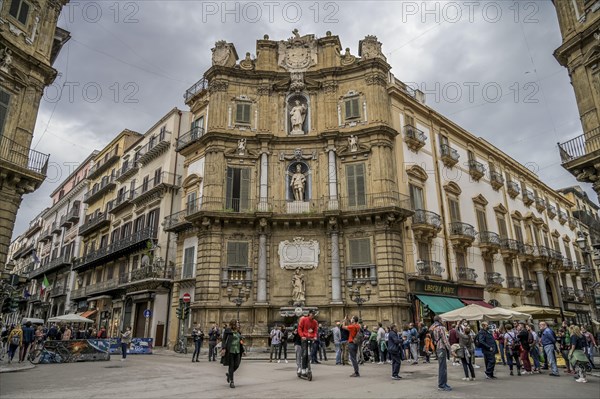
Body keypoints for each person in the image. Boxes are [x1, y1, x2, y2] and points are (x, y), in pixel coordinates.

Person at [221, 320, 244, 388]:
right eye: (237, 324)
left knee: (237, 364)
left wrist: (243, 350)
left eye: (238, 324)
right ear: (233, 324)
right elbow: (224, 340)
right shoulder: (228, 331)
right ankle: (232, 381)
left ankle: (229, 374)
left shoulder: (238, 331)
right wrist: (224, 348)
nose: (238, 325)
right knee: (231, 365)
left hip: (238, 350)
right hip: (230, 350)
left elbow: (240, 341)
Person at [431, 315, 452, 391]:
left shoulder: (433, 327)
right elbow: (445, 340)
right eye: (442, 319)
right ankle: (442, 385)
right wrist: (450, 350)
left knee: (442, 366)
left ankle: (443, 383)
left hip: (437, 348)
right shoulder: (441, 328)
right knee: (443, 367)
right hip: (442, 347)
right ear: (439, 320)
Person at [298, 309, 318, 376]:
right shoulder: (304, 319)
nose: (313, 315)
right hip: (304, 338)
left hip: (311, 338)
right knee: (305, 353)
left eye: (314, 314)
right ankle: (303, 368)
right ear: (309, 314)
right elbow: (300, 328)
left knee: (310, 354)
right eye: (312, 314)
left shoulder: (315, 322)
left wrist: (315, 337)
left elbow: (315, 331)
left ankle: (307, 367)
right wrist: (302, 336)